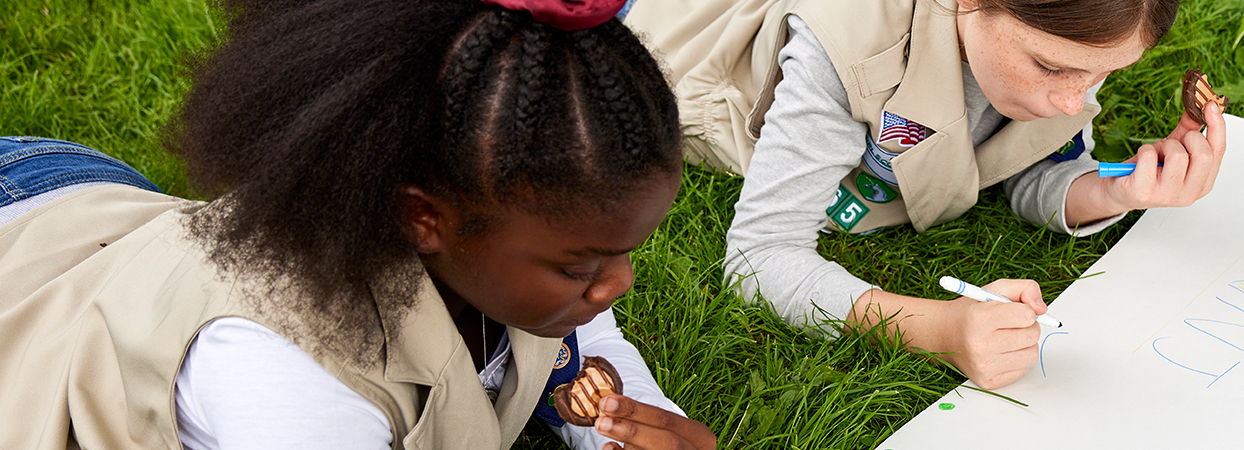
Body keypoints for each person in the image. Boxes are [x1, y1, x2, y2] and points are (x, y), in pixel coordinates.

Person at [0, 0, 717, 449]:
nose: (616, 285)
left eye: (623, 252)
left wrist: (631, 423)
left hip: (97, 214)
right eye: (582, 266)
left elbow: (581, 348)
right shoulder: (293, 385)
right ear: (422, 217)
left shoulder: (516, 246)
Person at [621, 0, 1225, 389]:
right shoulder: (842, 52)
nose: (1075, 102)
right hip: (669, 31)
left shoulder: (1061, 46)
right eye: (1049, 67)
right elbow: (760, 257)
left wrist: (1119, 192)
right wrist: (936, 330)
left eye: (1103, 76)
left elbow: (1028, 169)